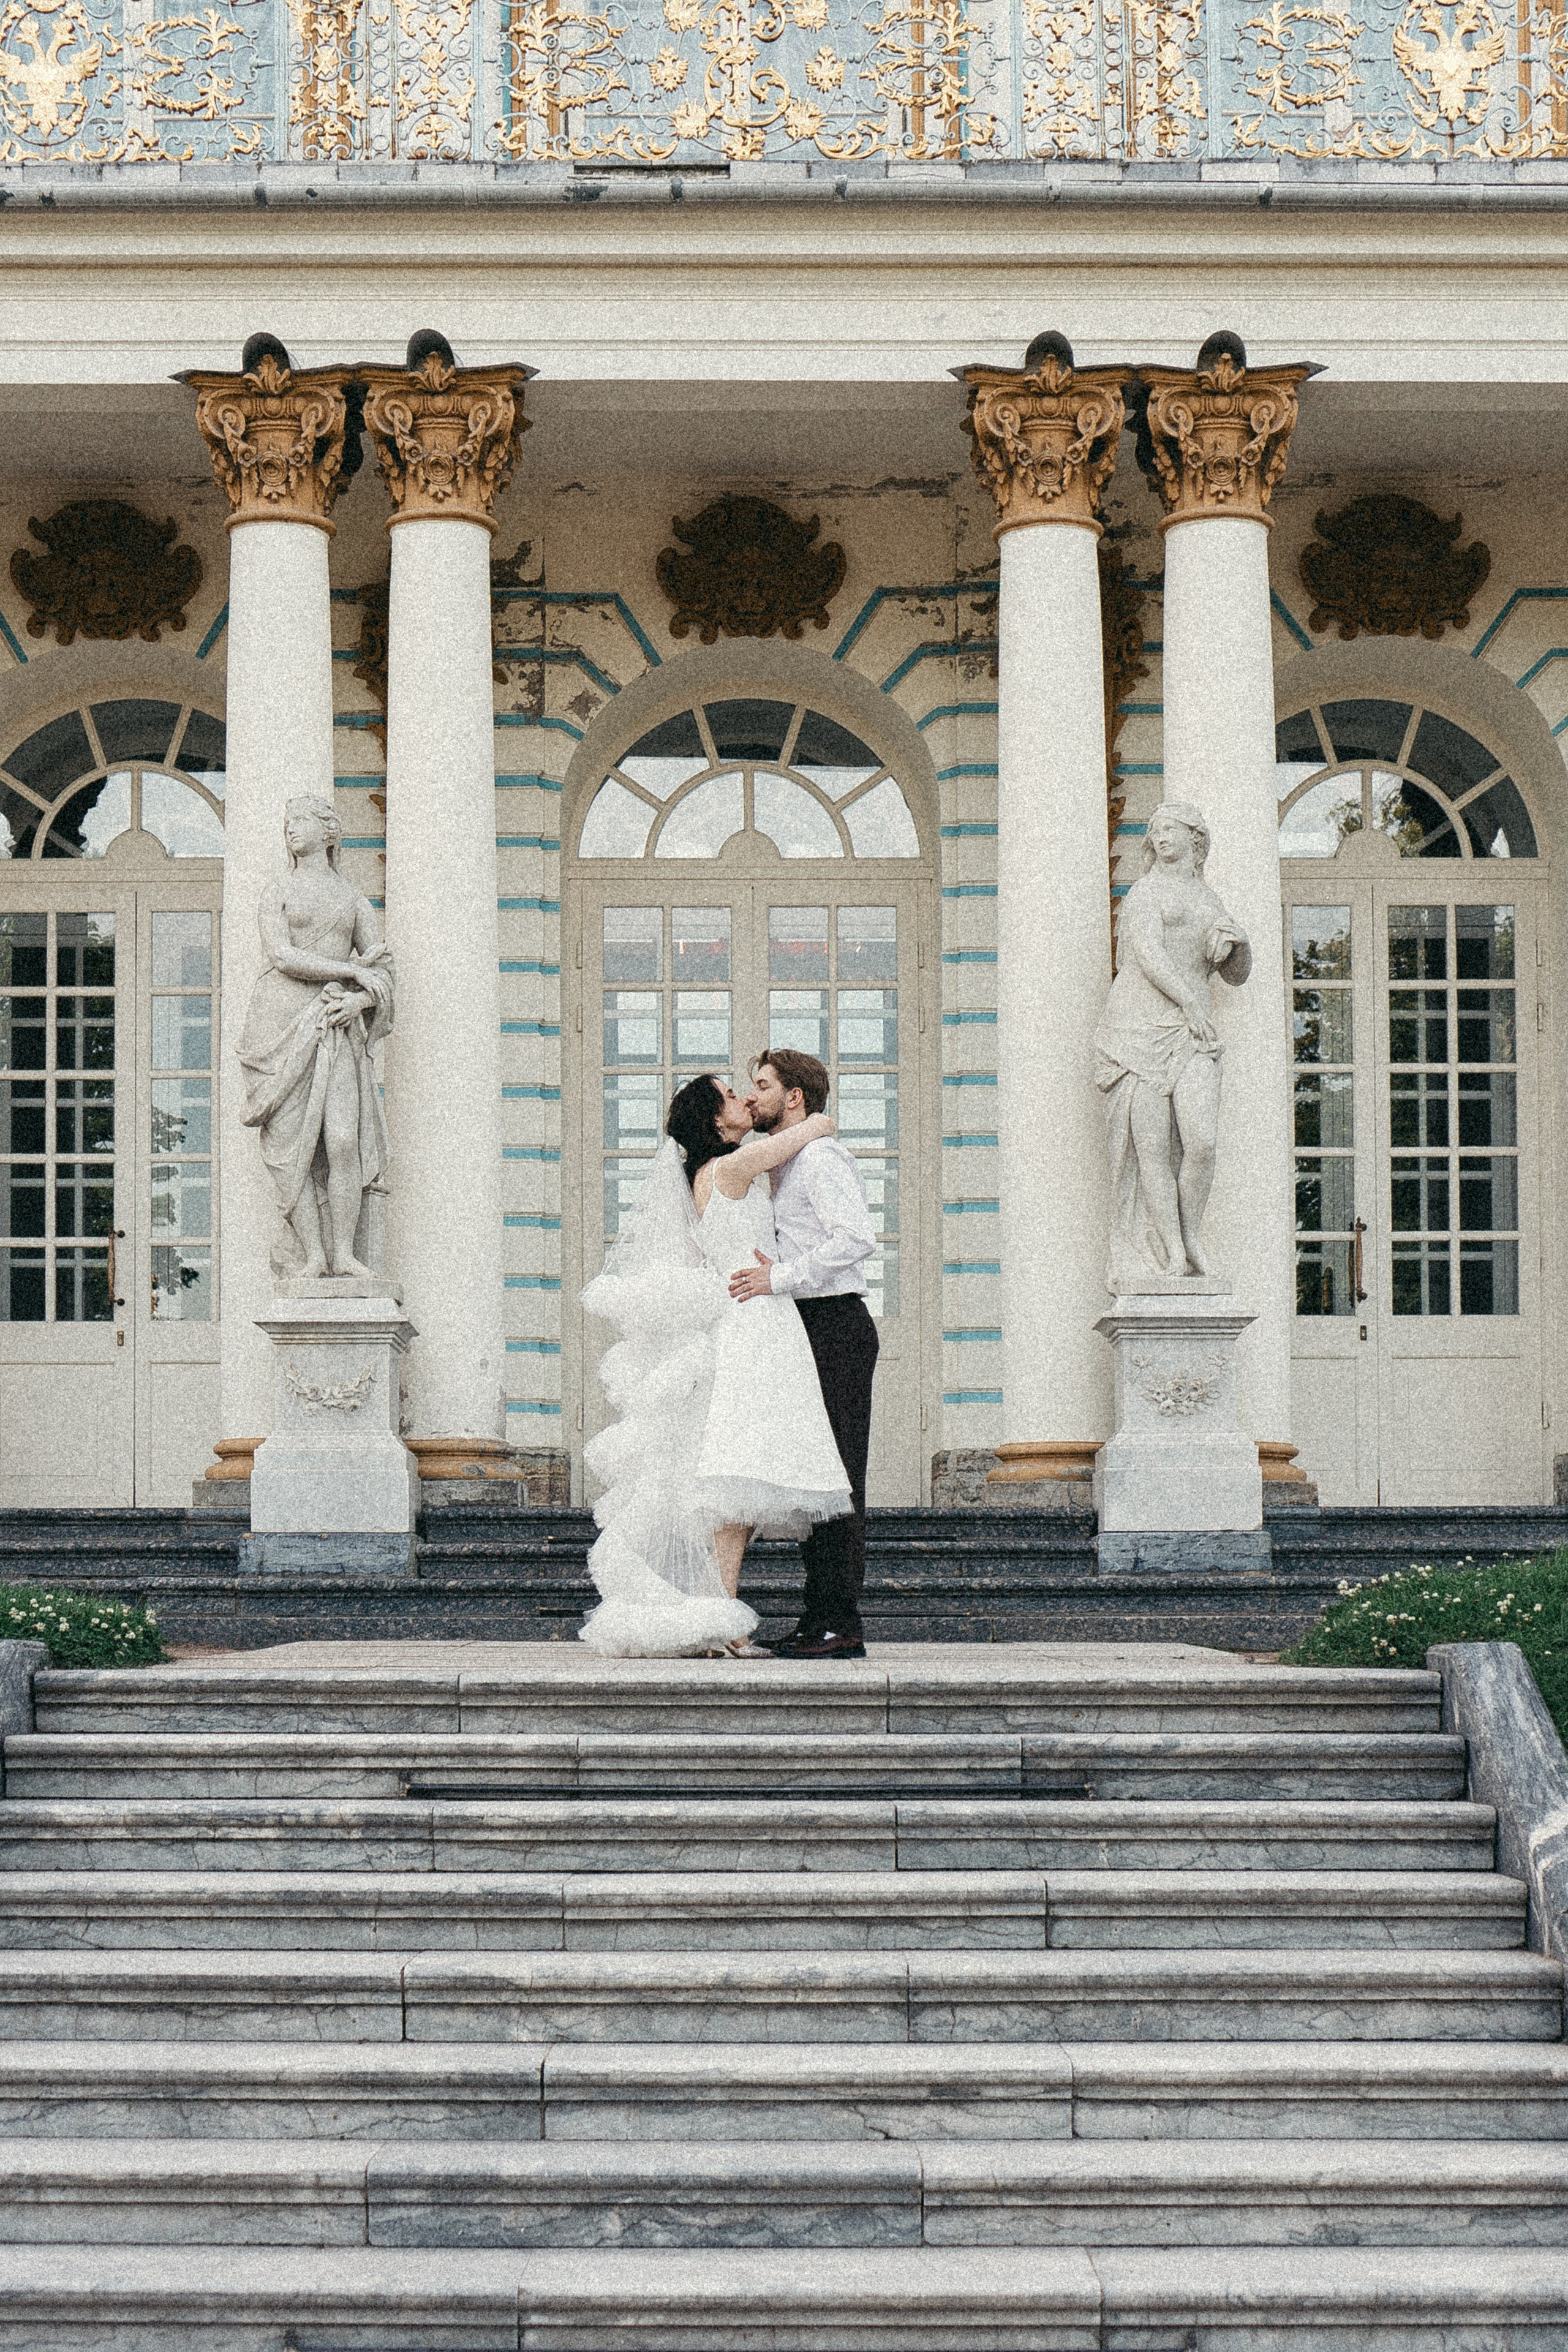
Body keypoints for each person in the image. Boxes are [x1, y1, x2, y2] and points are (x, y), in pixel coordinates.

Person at [578, 1073, 851, 1659]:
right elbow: (812, 1129)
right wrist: (818, 1117)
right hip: (754, 1324)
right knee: (735, 1483)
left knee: (740, 1485)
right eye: (732, 1096)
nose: (746, 1100)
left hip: (756, 1320)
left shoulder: (714, 1172)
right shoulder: (731, 1167)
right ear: (714, 1122)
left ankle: (721, 1619)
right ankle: (725, 1625)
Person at [728, 1047, 878, 1660]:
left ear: (794, 1097)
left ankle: (838, 1622)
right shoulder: (786, 1163)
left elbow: (856, 1240)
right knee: (815, 1476)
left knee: (837, 1479)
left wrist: (780, 1277)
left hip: (835, 1325)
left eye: (761, 1086)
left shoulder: (820, 1158)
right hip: (806, 1326)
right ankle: (818, 1616)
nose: (752, 1097)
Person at [1093, 800, 1251, 1282]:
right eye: (1155, 831)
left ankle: (1191, 1234)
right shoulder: (1146, 892)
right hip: (1137, 1028)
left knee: (1201, 1141)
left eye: (1170, 830)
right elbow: (1147, 954)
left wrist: (1240, 944)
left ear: (1195, 840)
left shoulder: (1210, 901)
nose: (1160, 838)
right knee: (1153, 1151)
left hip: (1190, 1030)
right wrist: (1191, 1002)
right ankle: (1174, 1255)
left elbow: (1236, 977)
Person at [238, 795, 394, 1281]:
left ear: (329, 833)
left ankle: (345, 1253)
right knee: (291, 1150)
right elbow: (282, 955)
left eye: (301, 821)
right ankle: (314, 1256)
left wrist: (359, 1002)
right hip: (277, 1023)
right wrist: (350, 971)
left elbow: (385, 970)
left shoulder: (352, 900)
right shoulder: (277, 891)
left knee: (343, 1140)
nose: (291, 830)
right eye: (288, 823)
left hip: (335, 1024)